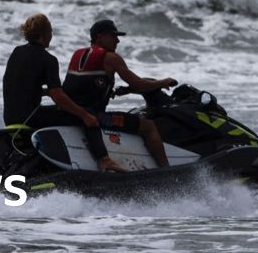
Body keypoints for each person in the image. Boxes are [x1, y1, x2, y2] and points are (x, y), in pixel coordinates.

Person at [2, 13, 126, 173]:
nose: (51, 36)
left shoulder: (17, 52)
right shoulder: (48, 59)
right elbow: (58, 96)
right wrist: (84, 115)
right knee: (89, 116)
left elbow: (18, 84)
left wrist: (44, 92)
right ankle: (104, 160)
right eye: (51, 32)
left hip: (10, 117)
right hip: (31, 118)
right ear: (45, 34)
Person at [63, 19, 177, 168]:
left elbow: (85, 85)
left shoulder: (78, 54)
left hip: (71, 112)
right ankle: (166, 170)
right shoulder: (111, 58)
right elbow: (140, 85)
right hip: (96, 117)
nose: (117, 41)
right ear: (99, 37)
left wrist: (122, 90)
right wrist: (164, 82)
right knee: (148, 126)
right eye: (113, 36)